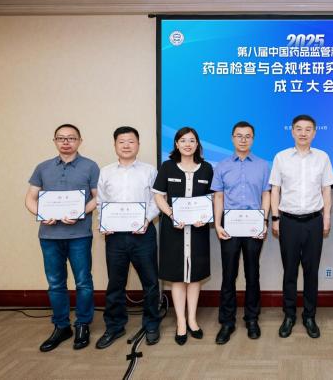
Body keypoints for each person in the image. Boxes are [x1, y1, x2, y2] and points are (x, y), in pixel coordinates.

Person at [24, 124, 99, 352]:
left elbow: (98, 198)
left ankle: (83, 324)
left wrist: (79, 212)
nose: (66, 142)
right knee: (55, 283)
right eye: (61, 138)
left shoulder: (90, 166)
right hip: (49, 236)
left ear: (79, 141)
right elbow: (30, 198)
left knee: (83, 281)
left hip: (80, 235)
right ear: (55, 141)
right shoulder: (42, 167)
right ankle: (61, 326)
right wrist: (40, 213)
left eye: (71, 138)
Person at [95, 126, 161, 349]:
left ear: (138, 145)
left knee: (150, 282)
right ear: (115, 145)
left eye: (131, 141)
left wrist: (147, 220)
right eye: (121, 141)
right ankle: (114, 326)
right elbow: (101, 202)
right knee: (116, 283)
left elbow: (156, 200)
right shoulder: (105, 172)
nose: (126, 145)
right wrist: (103, 223)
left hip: (143, 234)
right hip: (115, 237)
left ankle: (151, 324)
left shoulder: (150, 171)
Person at [270, 114, 333, 339]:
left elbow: (327, 190)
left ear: (315, 133)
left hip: (313, 221)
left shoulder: (323, 157)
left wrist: (327, 218)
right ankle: (289, 315)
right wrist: (275, 218)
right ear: (292, 132)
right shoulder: (281, 157)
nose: (303, 133)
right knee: (289, 271)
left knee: (311, 272)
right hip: (288, 221)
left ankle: (309, 316)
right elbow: (275, 189)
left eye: (308, 129)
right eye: (299, 129)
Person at [152, 127, 213, 345]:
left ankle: (192, 319)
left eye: (192, 140)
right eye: (183, 140)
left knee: (195, 276)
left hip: (198, 230)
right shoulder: (167, 167)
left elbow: (212, 198)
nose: (188, 144)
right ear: (176, 144)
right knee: (177, 276)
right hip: (173, 230)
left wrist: (205, 216)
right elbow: (158, 196)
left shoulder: (207, 168)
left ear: (197, 144)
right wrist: (171, 214)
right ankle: (180, 321)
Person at [211, 121, 271, 345]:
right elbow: (218, 196)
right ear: (232, 138)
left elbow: (266, 195)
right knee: (229, 274)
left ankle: (252, 318)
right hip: (230, 226)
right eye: (239, 135)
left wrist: (264, 221)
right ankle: (227, 322)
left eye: (247, 136)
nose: (243, 140)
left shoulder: (263, 165)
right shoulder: (222, 165)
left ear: (253, 139)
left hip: (254, 225)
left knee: (252, 273)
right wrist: (218, 224)